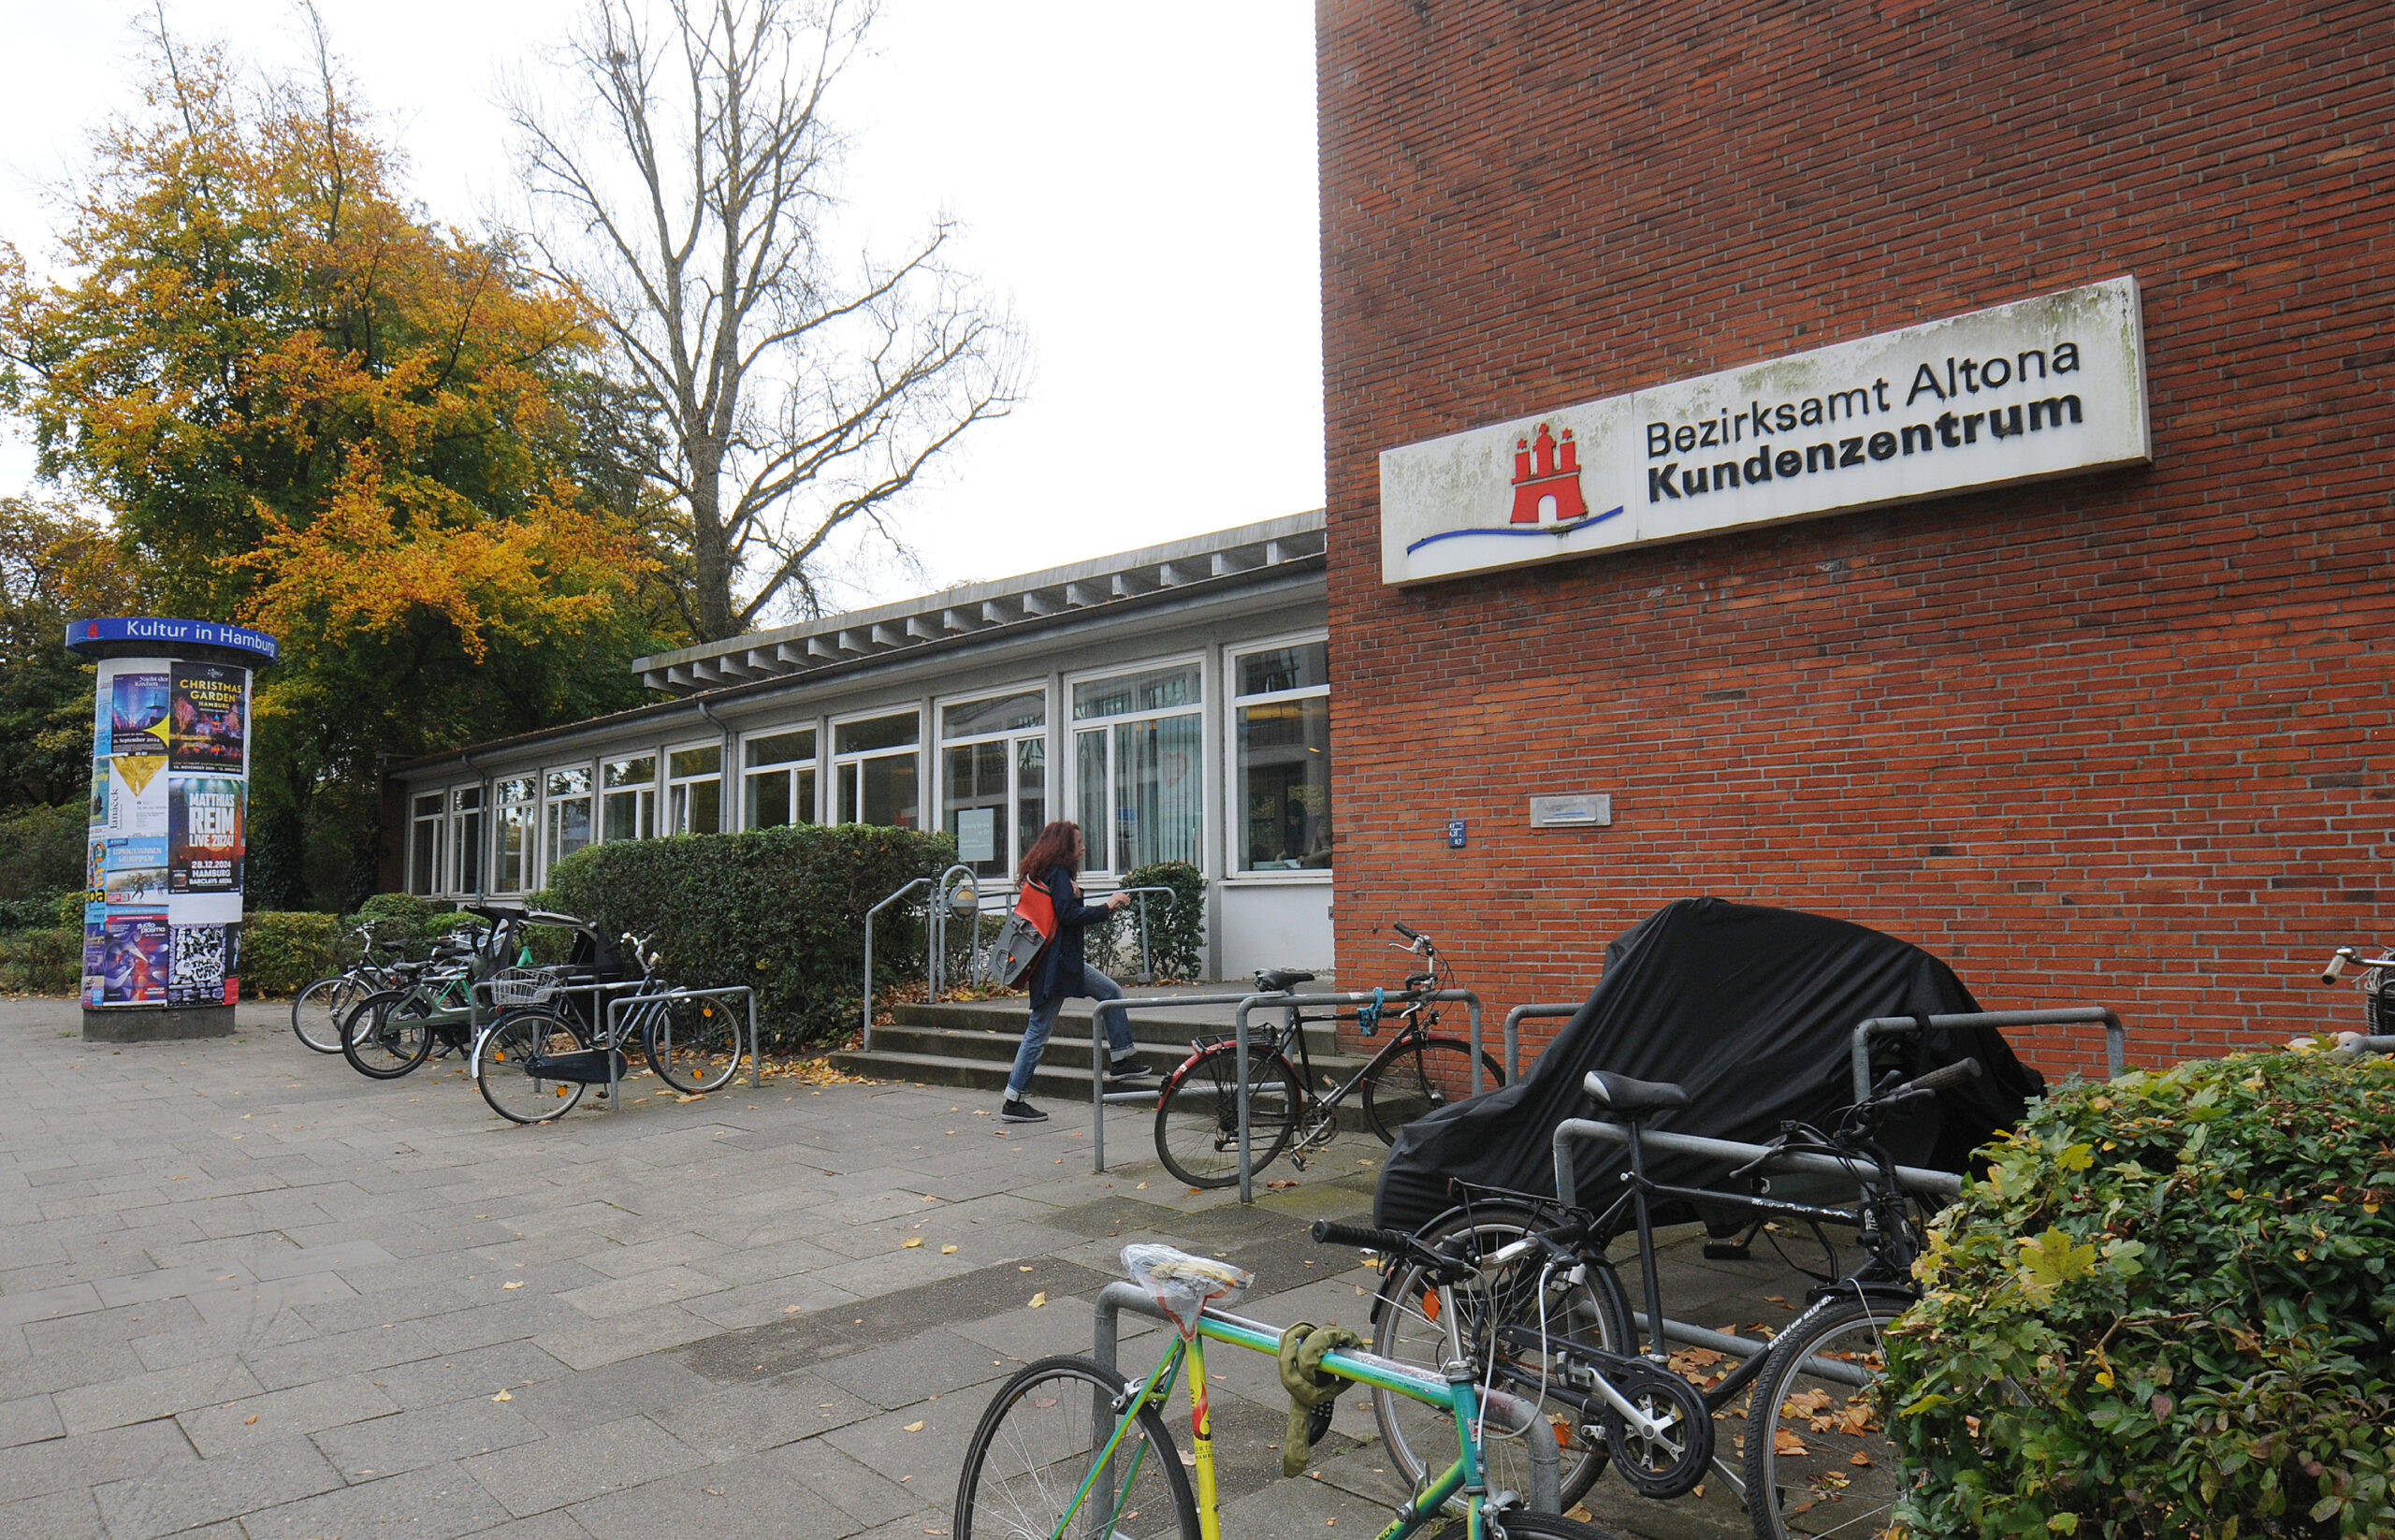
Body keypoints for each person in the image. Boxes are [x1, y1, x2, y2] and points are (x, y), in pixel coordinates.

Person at [1003, 820, 1158, 1123]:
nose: (1083, 847)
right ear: (1065, 847)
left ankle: (1123, 1058)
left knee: (1110, 992)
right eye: (1079, 843)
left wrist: (1076, 894)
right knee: (1038, 1031)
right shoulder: (1058, 874)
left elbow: (1061, 910)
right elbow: (1069, 915)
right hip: (1056, 967)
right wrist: (1108, 906)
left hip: (1060, 963)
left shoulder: (1047, 873)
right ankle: (1014, 1099)